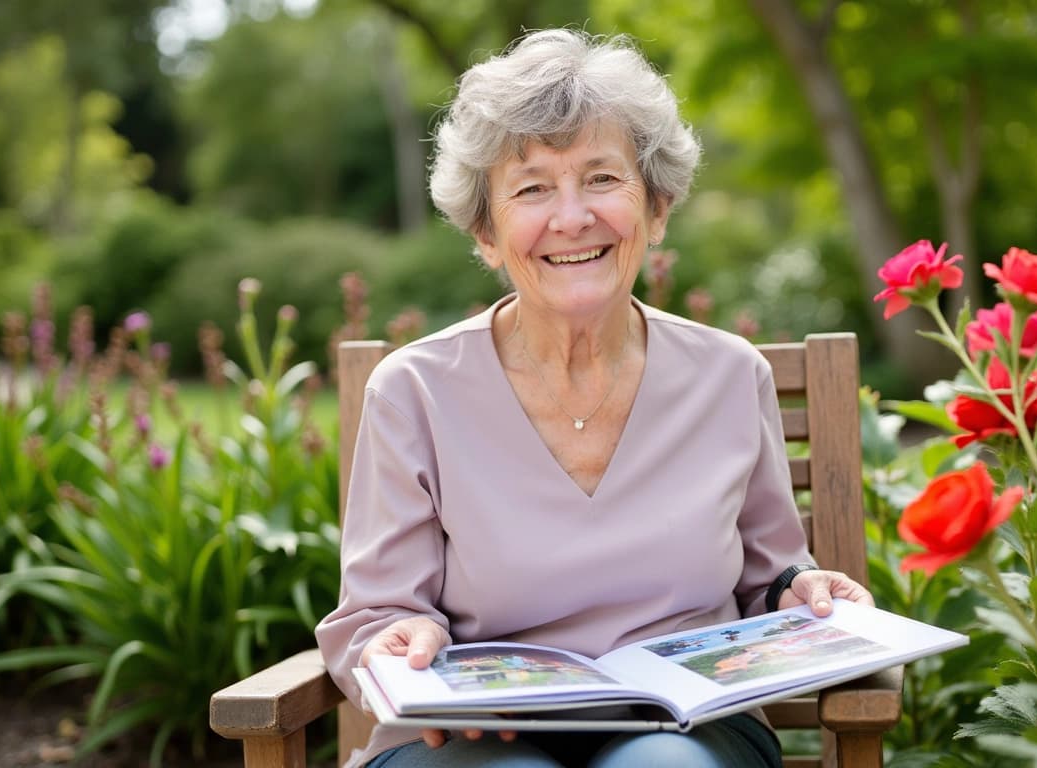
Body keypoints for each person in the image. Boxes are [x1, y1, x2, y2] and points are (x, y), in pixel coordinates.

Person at [314, 28, 873, 768]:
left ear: (658, 207)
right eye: (532, 187)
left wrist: (803, 591)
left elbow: (770, 576)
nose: (571, 217)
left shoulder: (729, 376)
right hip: (481, 732)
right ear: (485, 231)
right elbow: (380, 616)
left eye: (602, 179)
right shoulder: (415, 391)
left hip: (684, 727)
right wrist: (397, 646)